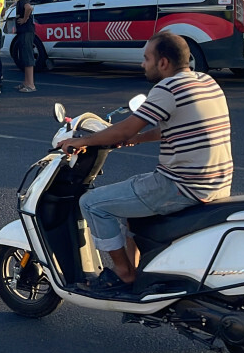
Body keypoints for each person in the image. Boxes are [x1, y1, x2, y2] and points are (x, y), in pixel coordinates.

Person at [61, 33, 232, 293]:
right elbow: (174, 128)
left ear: (163, 63)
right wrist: (138, 139)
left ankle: (123, 272)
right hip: (216, 183)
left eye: (146, 58)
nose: (143, 64)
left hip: (181, 186)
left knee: (92, 203)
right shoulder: (207, 82)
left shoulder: (168, 88)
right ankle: (139, 271)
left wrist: (84, 141)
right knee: (129, 203)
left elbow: (124, 129)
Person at [9, 0, 36, 92]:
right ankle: (26, 82)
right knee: (24, 57)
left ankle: (31, 85)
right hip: (22, 32)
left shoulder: (24, 0)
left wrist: (25, 19)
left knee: (28, 56)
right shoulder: (20, 1)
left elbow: (29, 8)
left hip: (26, 32)